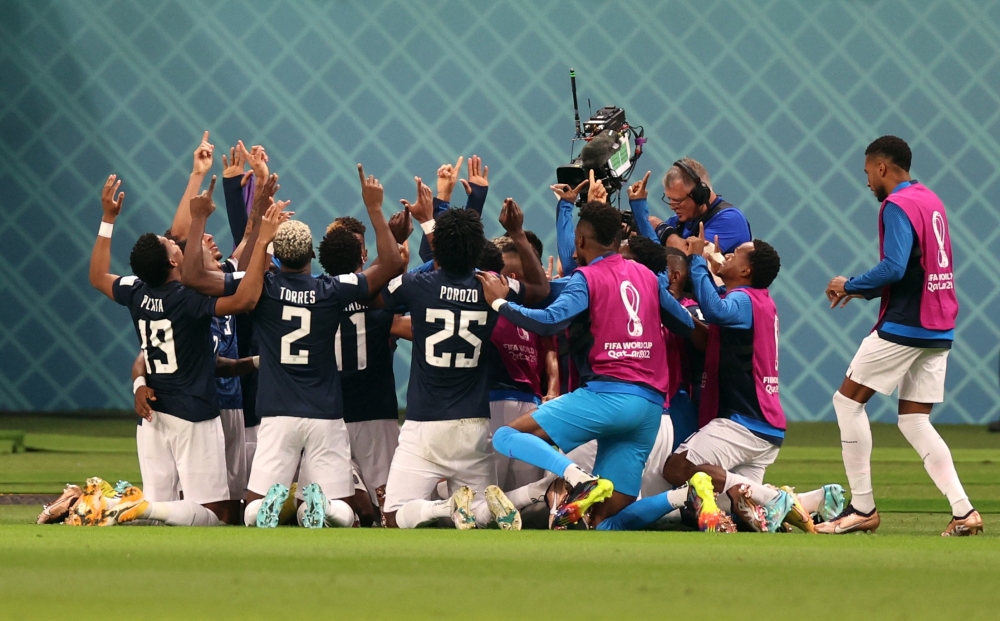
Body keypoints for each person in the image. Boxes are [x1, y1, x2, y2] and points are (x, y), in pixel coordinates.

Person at [479, 200, 696, 529]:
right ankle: (682, 498)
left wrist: (498, 302)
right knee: (605, 519)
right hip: (649, 406)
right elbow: (685, 323)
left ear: (579, 241)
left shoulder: (587, 278)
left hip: (607, 396)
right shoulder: (648, 278)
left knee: (506, 436)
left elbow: (550, 322)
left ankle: (576, 477)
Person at [88, 174, 284, 527]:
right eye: (172, 245)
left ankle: (131, 507)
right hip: (193, 412)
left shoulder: (136, 290)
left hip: (153, 416)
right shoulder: (189, 299)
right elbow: (244, 299)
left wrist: (107, 219)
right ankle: (137, 507)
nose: (176, 242)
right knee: (219, 513)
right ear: (174, 263)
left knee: (166, 510)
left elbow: (99, 274)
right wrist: (210, 222)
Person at [823, 135, 981, 536]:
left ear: (881, 168)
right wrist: (860, 290)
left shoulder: (896, 205)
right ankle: (964, 512)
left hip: (907, 323)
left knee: (847, 403)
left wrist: (850, 283)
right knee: (914, 420)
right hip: (940, 323)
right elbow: (917, 264)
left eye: (866, 174)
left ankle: (862, 509)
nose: (866, 183)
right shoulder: (931, 200)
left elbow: (894, 267)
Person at [241, 164, 405, 529]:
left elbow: (238, 273)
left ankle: (270, 508)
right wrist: (376, 211)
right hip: (328, 410)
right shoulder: (332, 291)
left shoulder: (263, 289)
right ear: (310, 257)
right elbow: (392, 263)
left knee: (251, 511)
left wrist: (258, 226)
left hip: (277, 408)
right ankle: (322, 509)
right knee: (345, 510)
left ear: (276, 257)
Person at [379, 188, 549, 530]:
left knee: (394, 515)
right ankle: (524, 496)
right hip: (473, 423)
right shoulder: (494, 284)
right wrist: (516, 232)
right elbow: (541, 291)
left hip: (425, 422)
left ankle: (442, 507)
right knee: (481, 510)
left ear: (437, 248)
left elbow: (376, 296)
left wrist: (401, 240)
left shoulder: (416, 284)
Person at [318, 215, 411, 525]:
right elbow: (404, 297)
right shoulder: (380, 301)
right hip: (374, 411)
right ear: (362, 255)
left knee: (336, 499)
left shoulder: (314, 296)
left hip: (331, 412)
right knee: (387, 501)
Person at [627, 160, 751, 254]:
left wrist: (662, 230)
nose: (672, 207)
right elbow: (655, 249)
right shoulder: (681, 221)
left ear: (700, 195)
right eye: (669, 199)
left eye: (677, 200)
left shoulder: (731, 220)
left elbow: (693, 256)